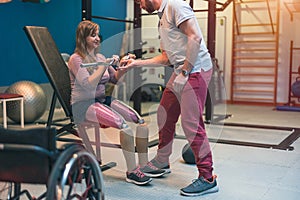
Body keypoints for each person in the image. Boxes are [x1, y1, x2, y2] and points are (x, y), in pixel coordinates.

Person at [120, 0, 219, 196]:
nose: (139, 5)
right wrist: (135, 64)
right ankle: (162, 161)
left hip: (196, 69)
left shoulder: (176, 6)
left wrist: (185, 73)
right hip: (182, 69)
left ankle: (208, 178)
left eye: (139, 1)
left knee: (191, 124)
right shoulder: (161, 18)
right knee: (164, 111)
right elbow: (166, 58)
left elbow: (195, 37)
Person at [67, 20, 166, 186]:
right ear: (83, 38)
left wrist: (125, 66)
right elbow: (88, 84)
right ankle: (132, 172)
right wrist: (103, 66)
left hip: (101, 99)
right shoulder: (76, 59)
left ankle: (144, 165)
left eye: (98, 34)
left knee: (140, 122)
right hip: (83, 105)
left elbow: (114, 79)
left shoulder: (98, 57)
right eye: (93, 35)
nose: (97, 38)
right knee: (124, 127)